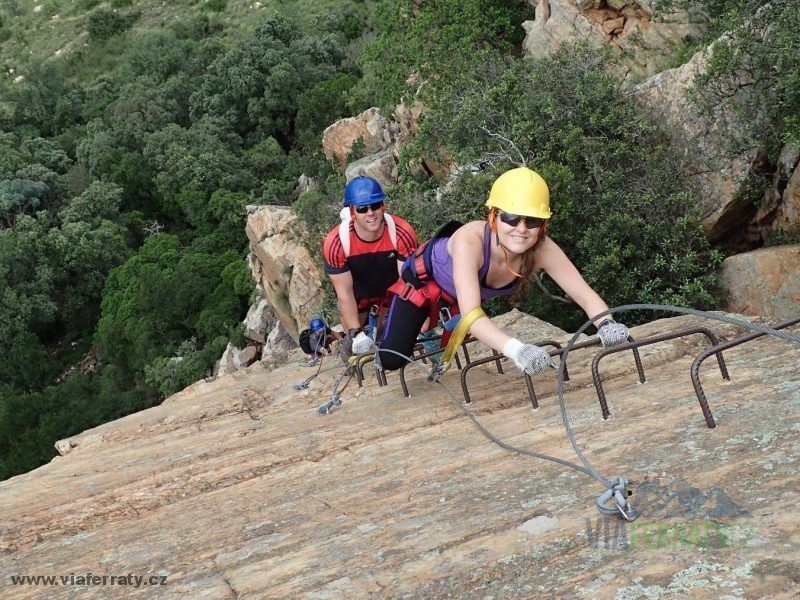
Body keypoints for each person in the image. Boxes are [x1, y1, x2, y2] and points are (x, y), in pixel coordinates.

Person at [378, 166, 630, 372]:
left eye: (531, 220)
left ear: (542, 225)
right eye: (511, 217)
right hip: (422, 284)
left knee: (454, 321)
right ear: (494, 216)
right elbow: (472, 317)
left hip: (460, 297)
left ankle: (429, 329)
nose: (521, 228)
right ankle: (384, 330)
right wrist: (518, 350)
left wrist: (606, 324)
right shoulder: (471, 241)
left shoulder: (542, 248)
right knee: (392, 359)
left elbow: (583, 294)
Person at [323, 176, 418, 357]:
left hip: (390, 287)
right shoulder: (336, 243)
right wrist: (357, 333)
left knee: (398, 328)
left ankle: (384, 336)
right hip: (358, 292)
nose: (370, 212)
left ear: (383, 206)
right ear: (352, 212)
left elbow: (408, 282)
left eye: (375, 205)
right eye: (362, 208)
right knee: (354, 340)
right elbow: (345, 294)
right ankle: (349, 351)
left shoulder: (401, 232)